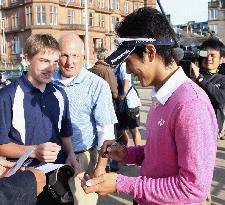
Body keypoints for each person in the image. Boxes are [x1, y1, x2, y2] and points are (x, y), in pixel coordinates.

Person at [82, 7, 218, 205]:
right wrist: (128, 154)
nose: (127, 70)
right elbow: (161, 153)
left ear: (150, 52)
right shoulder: (161, 94)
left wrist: (122, 183)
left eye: (128, 61)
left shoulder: (191, 104)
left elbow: (193, 188)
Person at [52, 33, 117, 205]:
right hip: (50, 159)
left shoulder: (97, 85)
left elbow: (106, 130)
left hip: (83, 159)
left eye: (74, 55)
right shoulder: (47, 82)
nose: (69, 61)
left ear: (83, 57)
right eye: (64, 55)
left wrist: (101, 167)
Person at [191, 38, 225, 140]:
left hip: (211, 130)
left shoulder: (222, 79)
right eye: (205, 54)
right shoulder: (191, 75)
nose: (208, 58)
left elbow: (220, 100)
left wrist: (201, 79)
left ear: (221, 59)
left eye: (213, 55)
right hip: (191, 126)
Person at [115, 62, 142, 146]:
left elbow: (126, 80)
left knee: (133, 129)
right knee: (120, 129)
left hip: (130, 102)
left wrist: (124, 94)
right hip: (122, 103)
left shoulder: (123, 65)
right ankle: (127, 151)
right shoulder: (117, 66)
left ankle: (139, 154)